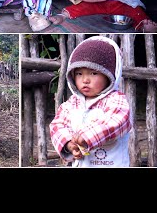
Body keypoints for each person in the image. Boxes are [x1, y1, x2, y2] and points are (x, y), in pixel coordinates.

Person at [49, 36, 132, 167]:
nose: (85, 80)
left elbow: (118, 121)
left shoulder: (116, 100)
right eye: (79, 74)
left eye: (93, 73)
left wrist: (87, 137)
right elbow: (58, 125)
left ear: (109, 75)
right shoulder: (71, 103)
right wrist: (69, 143)